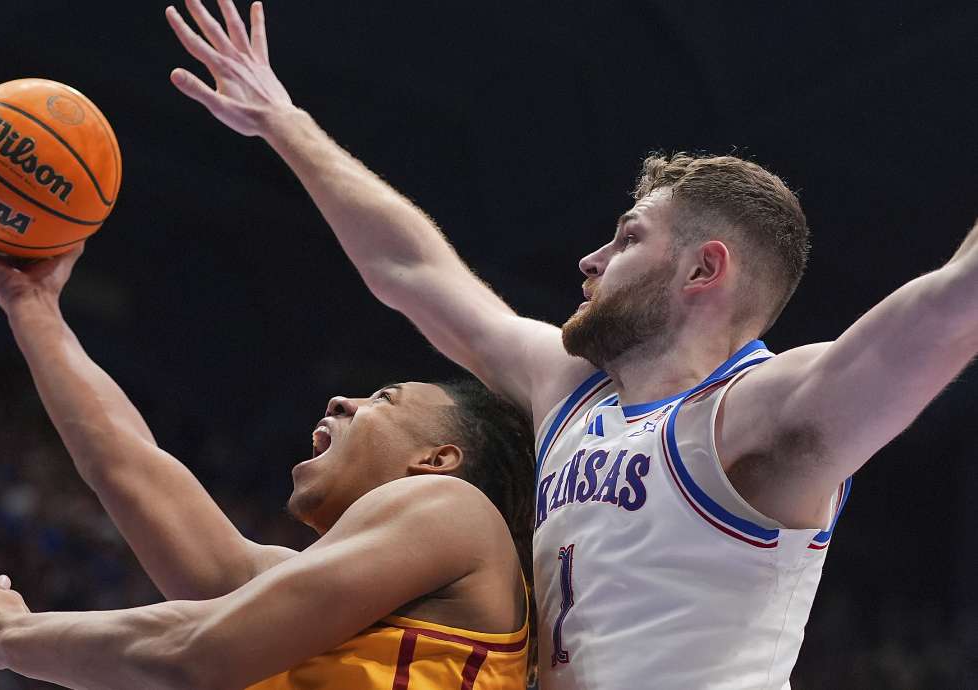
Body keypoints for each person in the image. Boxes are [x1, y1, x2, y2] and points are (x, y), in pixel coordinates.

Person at [161, 1, 978, 687]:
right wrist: (286, 123)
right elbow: (411, 270)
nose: (589, 260)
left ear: (704, 269)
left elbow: (950, 307)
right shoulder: (570, 389)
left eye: (627, 238)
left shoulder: (762, 415)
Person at [0, 190, 535, 689]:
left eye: (384, 399)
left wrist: (10, 635)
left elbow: (196, 652)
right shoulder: (321, 613)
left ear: (437, 460)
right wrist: (31, 306)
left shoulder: (456, 510)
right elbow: (128, 469)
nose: (342, 401)